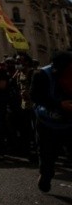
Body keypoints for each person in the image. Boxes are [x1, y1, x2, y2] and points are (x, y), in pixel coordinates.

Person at [30, 51, 72, 193]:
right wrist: (59, 105)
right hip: (47, 122)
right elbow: (35, 97)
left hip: (69, 122)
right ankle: (46, 175)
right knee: (47, 152)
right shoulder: (42, 75)